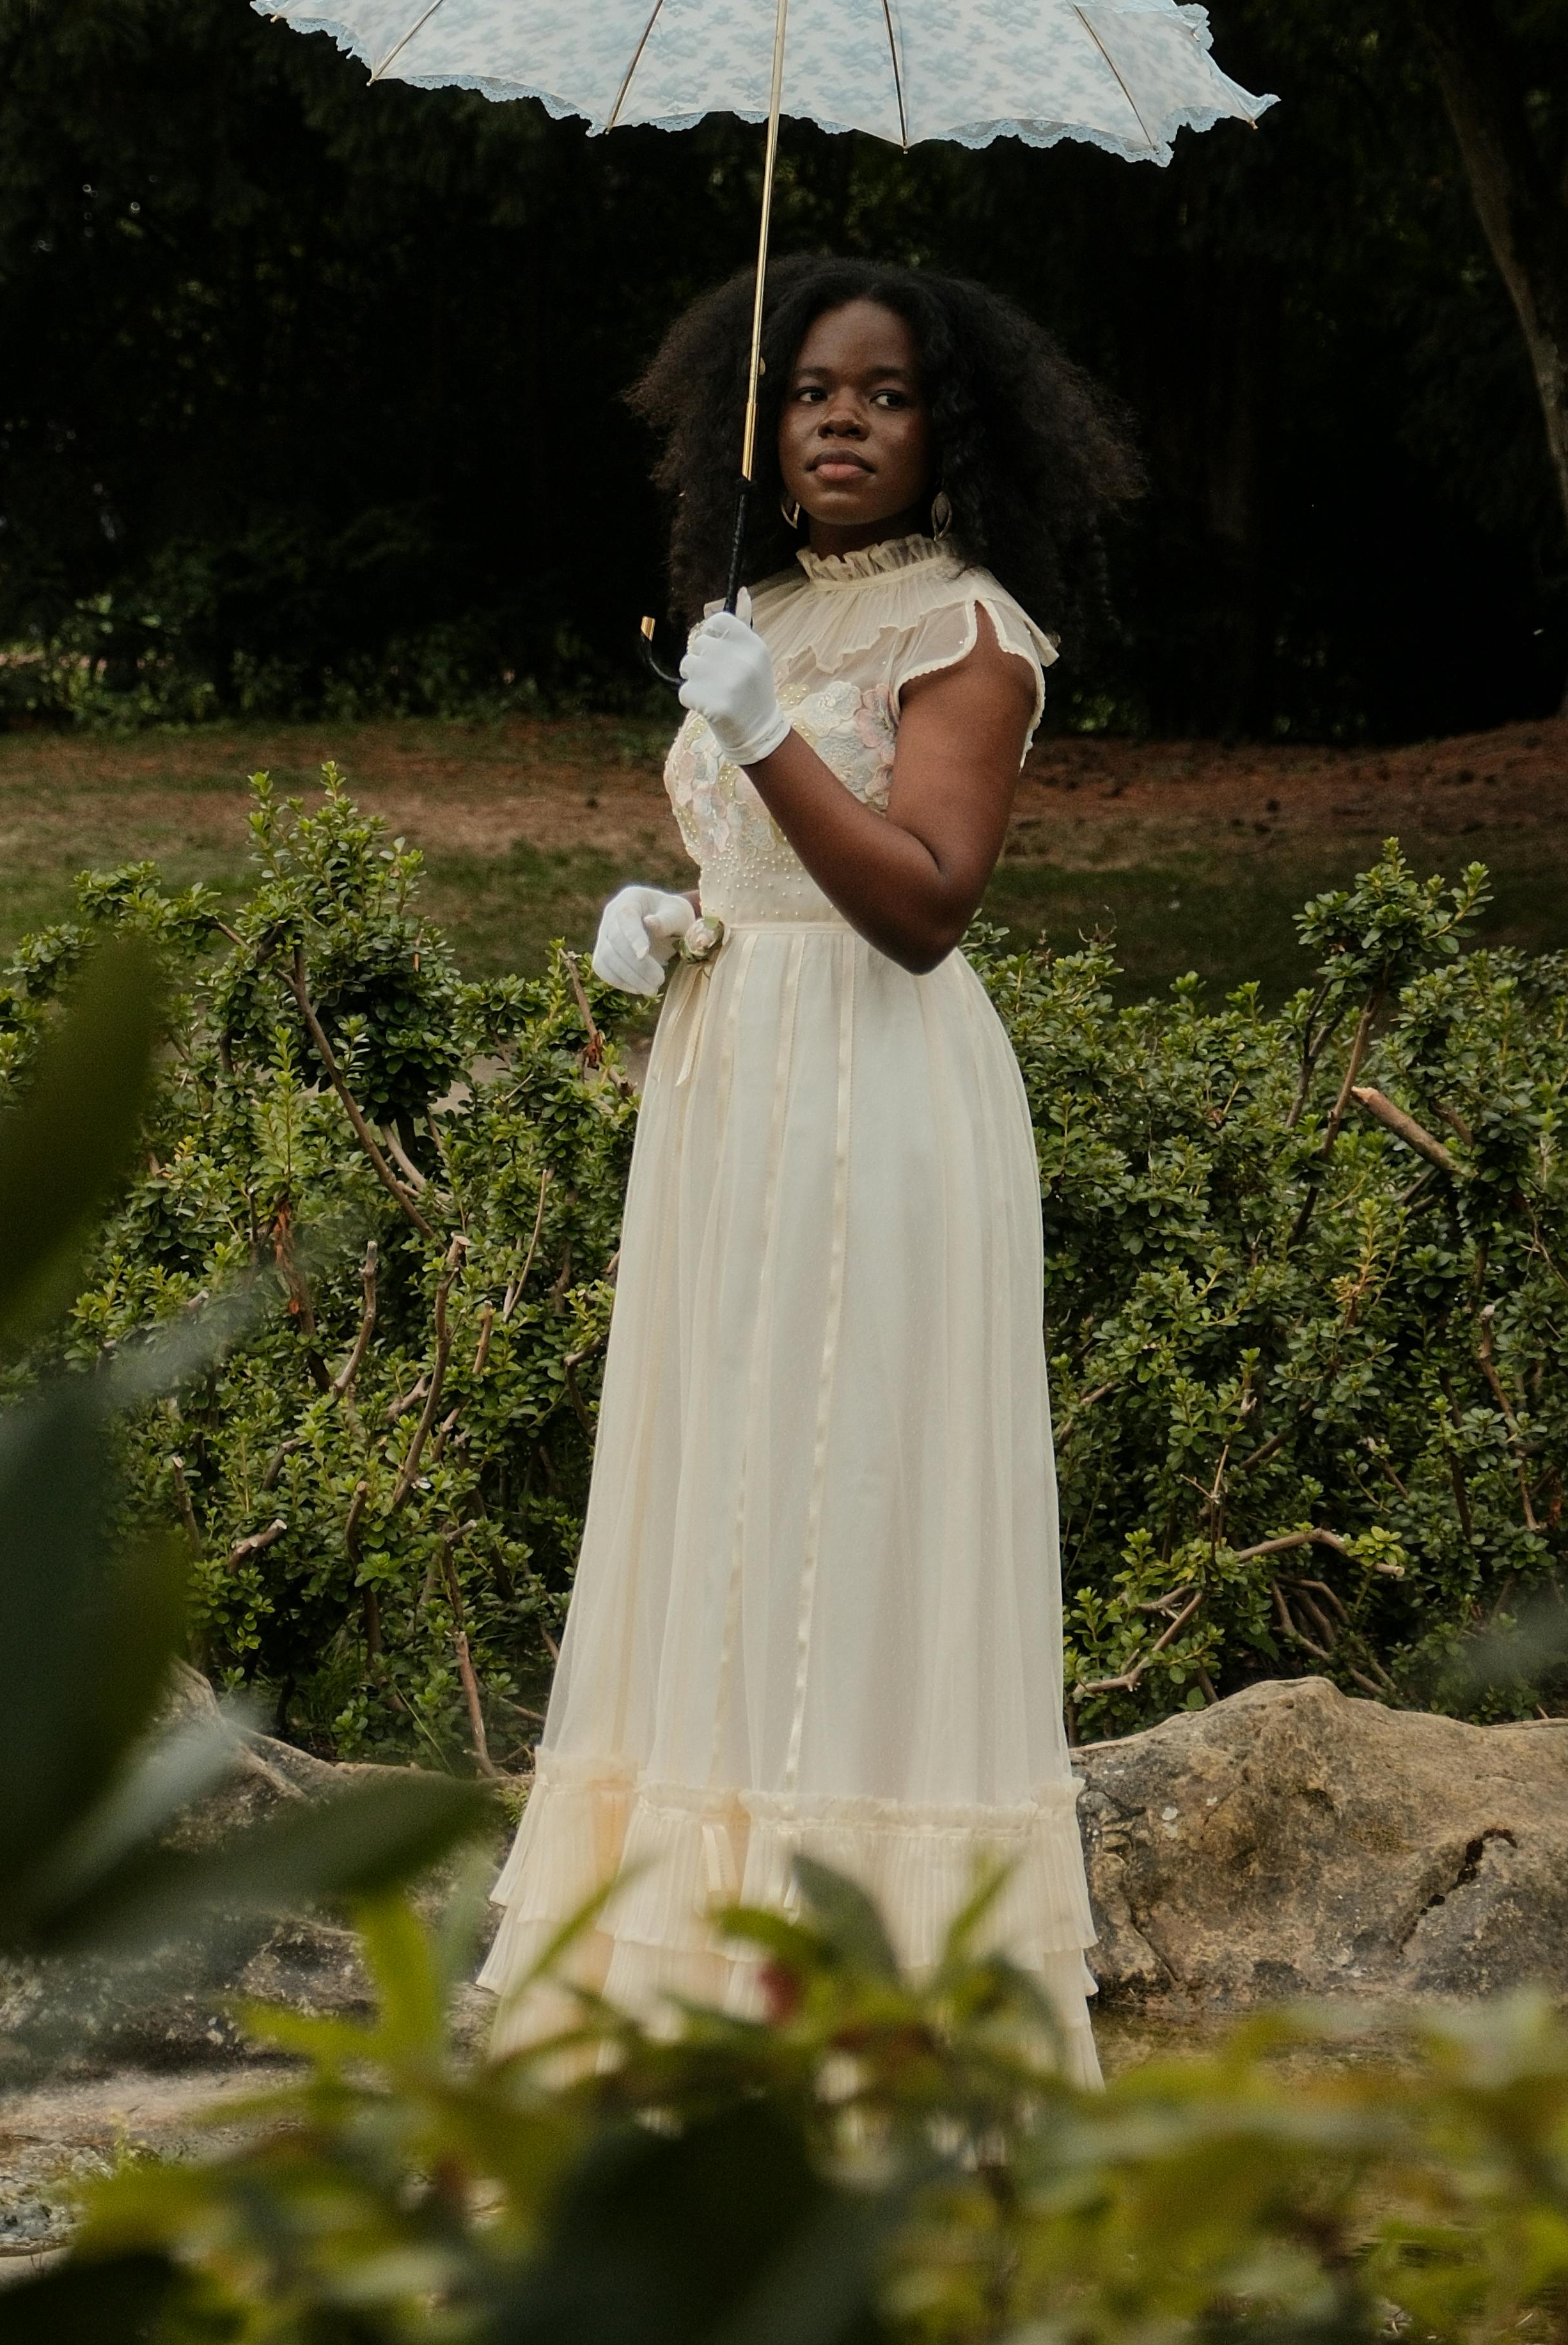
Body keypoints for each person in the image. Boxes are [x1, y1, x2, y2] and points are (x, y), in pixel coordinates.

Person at [477, 254, 1141, 2079]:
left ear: (950, 431)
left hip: (875, 1103)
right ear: (755, 424)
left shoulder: (971, 636)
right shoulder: (755, 607)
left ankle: (858, 2000)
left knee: (849, 1497)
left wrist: (764, 735)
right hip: (729, 1089)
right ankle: (672, 1984)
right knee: (727, 1499)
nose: (839, 421)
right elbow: (768, 874)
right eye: (807, 392)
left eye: (885, 394)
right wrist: (667, 918)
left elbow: (922, 905)